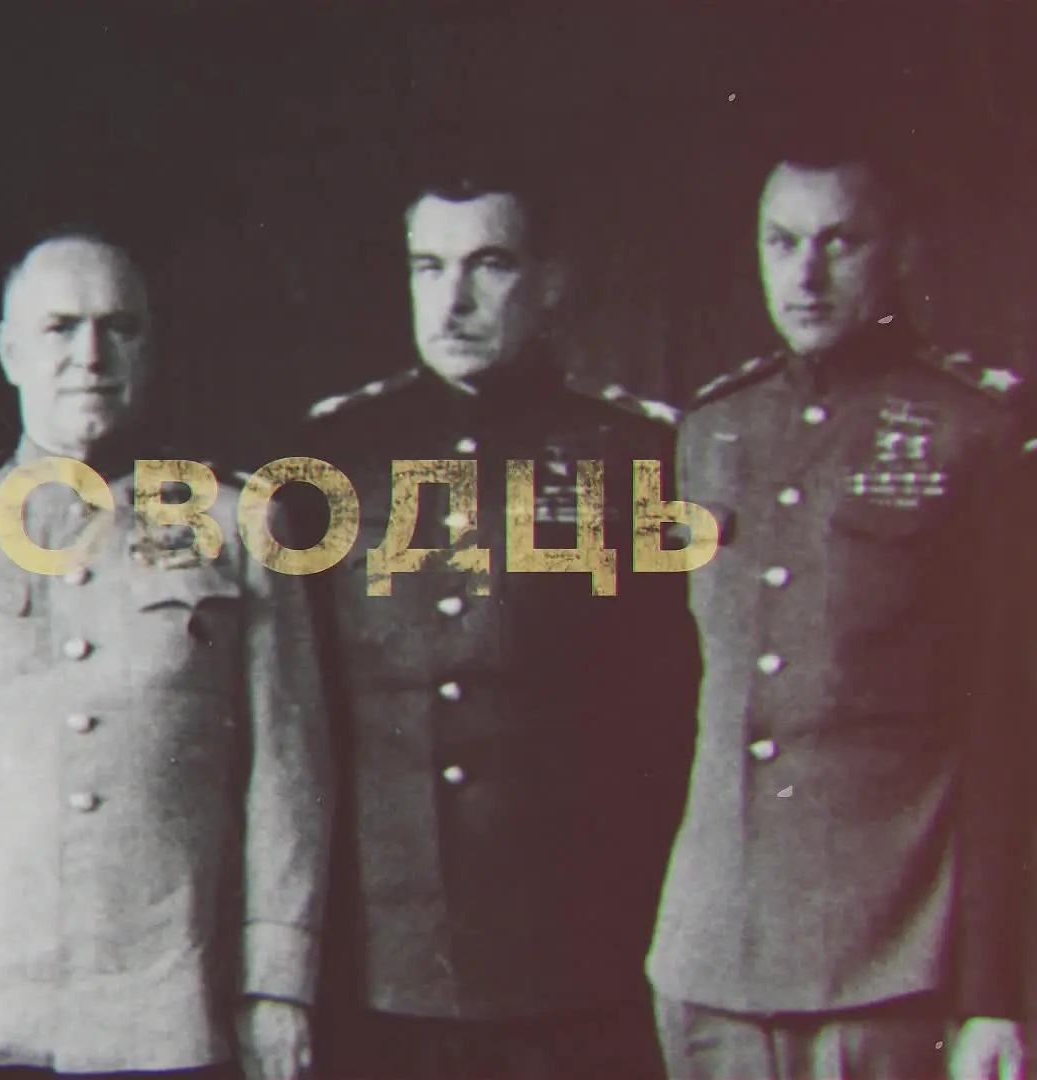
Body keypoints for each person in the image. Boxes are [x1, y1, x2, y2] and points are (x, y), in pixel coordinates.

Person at [0, 230, 332, 1080]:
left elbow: (287, 773)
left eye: (118, 327)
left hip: (178, 1010)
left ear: (150, 347)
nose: (91, 356)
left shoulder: (239, 525)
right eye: (60, 328)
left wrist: (276, 982)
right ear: (11, 351)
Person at [297, 170, 700, 1080]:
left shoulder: (632, 451)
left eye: (489, 265)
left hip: (573, 959)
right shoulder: (337, 453)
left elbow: (673, 706)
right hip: (383, 961)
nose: (454, 300)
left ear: (551, 283)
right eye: (429, 267)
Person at [647, 140, 1034, 1080]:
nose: (806, 277)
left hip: (889, 961)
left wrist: (994, 993)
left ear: (901, 252)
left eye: (840, 243)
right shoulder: (711, 430)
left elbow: (1008, 732)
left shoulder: (976, 434)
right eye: (782, 243)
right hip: (711, 957)